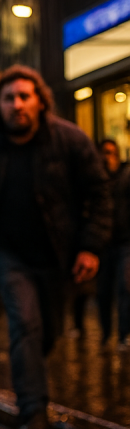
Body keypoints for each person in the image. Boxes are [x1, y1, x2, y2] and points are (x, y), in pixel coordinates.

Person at [0, 65, 111, 429]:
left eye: (25, 96)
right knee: (25, 324)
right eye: (9, 98)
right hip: (10, 256)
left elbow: (99, 194)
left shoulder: (70, 140)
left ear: (41, 101)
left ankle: (32, 382)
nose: (17, 105)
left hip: (59, 255)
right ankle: (33, 412)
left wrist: (91, 246)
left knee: (49, 330)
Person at [91, 139, 130, 345]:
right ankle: (106, 334)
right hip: (103, 244)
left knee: (125, 289)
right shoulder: (97, 180)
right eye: (104, 153)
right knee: (103, 291)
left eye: (111, 153)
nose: (107, 158)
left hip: (125, 243)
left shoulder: (126, 176)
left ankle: (124, 334)